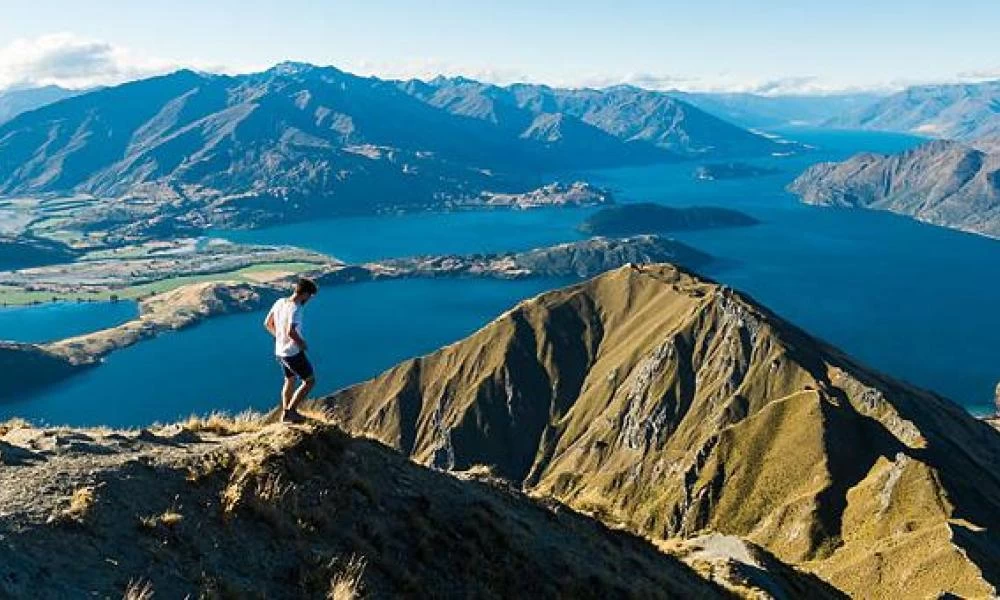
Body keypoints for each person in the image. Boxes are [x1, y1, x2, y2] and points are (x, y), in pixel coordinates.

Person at [264, 278, 318, 423]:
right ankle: (291, 411)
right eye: (310, 296)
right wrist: (302, 344)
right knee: (309, 381)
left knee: (290, 380)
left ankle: (285, 412)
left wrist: (278, 337)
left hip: (280, 351)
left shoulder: (280, 302)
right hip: (292, 352)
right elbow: (291, 332)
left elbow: (267, 323)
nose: (310, 299)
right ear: (305, 293)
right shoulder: (296, 308)